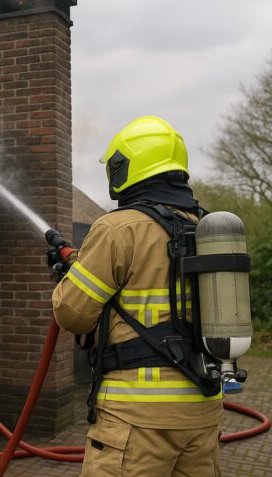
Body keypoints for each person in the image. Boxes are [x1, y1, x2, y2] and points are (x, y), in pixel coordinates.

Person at [52, 116, 223, 477]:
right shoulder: (206, 228)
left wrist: (67, 280)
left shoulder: (118, 228)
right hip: (204, 409)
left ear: (124, 167)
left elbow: (72, 315)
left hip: (137, 416)